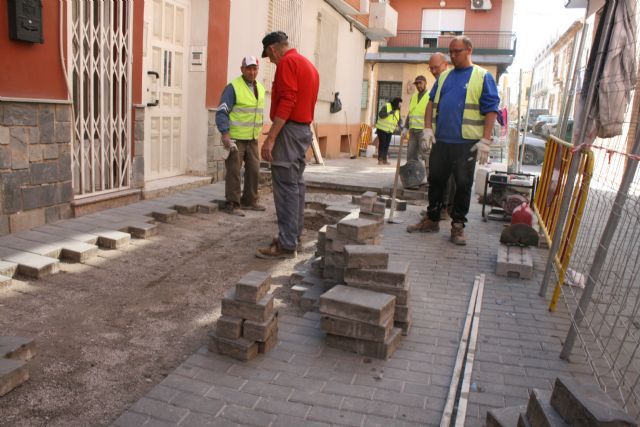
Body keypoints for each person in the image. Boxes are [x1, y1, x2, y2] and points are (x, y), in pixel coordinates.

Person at [407, 36, 499, 245]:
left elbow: (491, 109)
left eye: (457, 51)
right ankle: (432, 219)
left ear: (469, 50)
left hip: (466, 143)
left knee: (463, 184)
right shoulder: (444, 77)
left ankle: (458, 226)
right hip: (442, 141)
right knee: (436, 180)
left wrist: (485, 140)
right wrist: (428, 129)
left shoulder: (482, 76)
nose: (453, 55)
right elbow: (431, 103)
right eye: (450, 52)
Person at [255, 31, 320, 259]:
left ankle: (287, 244)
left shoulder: (287, 63)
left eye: (269, 56)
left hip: (290, 131)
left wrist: (272, 138)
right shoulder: (308, 65)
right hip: (302, 130)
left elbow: (288, 100)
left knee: (285, 187)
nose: (271, 61)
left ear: (273, 49)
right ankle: (293, 237)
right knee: (295, 185)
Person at [215, 56, 267, 217]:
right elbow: (222, 112)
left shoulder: (261, 88)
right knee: (234, 171)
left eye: (254, 68)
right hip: (236, 138)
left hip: (252, 138)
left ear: (258, 70)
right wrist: (225, 134)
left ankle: (249, 201)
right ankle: (232, 203)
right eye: (248, 68)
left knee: (254, 170)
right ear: (242, 69)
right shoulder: (233, 88)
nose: (252, 72)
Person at [405, 75, 429, 163]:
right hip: (412, 132)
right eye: (416, 84)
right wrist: (405, 127)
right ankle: (413, 172)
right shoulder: (414, 97)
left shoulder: (430, 96)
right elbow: (410, 113)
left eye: (420, 83)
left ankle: (428, 171)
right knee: (411, 156)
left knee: (426, 155)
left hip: (423, 132)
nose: (418, 85)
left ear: (425, 83)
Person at [375, 97, 402, 165]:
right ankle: (380, 159)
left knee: (387, 145)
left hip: (389, 130)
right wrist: (389, 113)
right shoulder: (386, 106)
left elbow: (399, 120)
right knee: (382, 144)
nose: (400, 105)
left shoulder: (397, 111)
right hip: (382, 129)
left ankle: (384, 159)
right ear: (396, 103)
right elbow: (380, 115)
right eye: (400, 103)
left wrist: (402, 126)